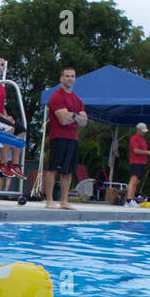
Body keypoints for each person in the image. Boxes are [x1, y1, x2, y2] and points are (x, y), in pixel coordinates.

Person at [45, 66, 87, 209]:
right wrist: (77, 116)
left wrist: (72, 115)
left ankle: (64, 201)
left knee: (68, 171)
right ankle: (49, 200)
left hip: (73, 138)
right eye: (67, 76)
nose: (70, 78)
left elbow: (85, 121)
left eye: (72, 76)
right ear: (61, 78)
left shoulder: (78, 100)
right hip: (59, 137)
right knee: (53, 169)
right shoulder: (57, 96)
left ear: (75, 79)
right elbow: (63, 120)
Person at [126, 122, 150, 204]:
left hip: (142, 162)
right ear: (138, 130)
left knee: (137, 181)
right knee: (133, 180)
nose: (144, 132)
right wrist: (148, 152)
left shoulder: (142, 139)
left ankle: (132, 198)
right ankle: (128, 199)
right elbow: (135, 150)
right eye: (142, 131)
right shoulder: (134, 138)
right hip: (135, 162)